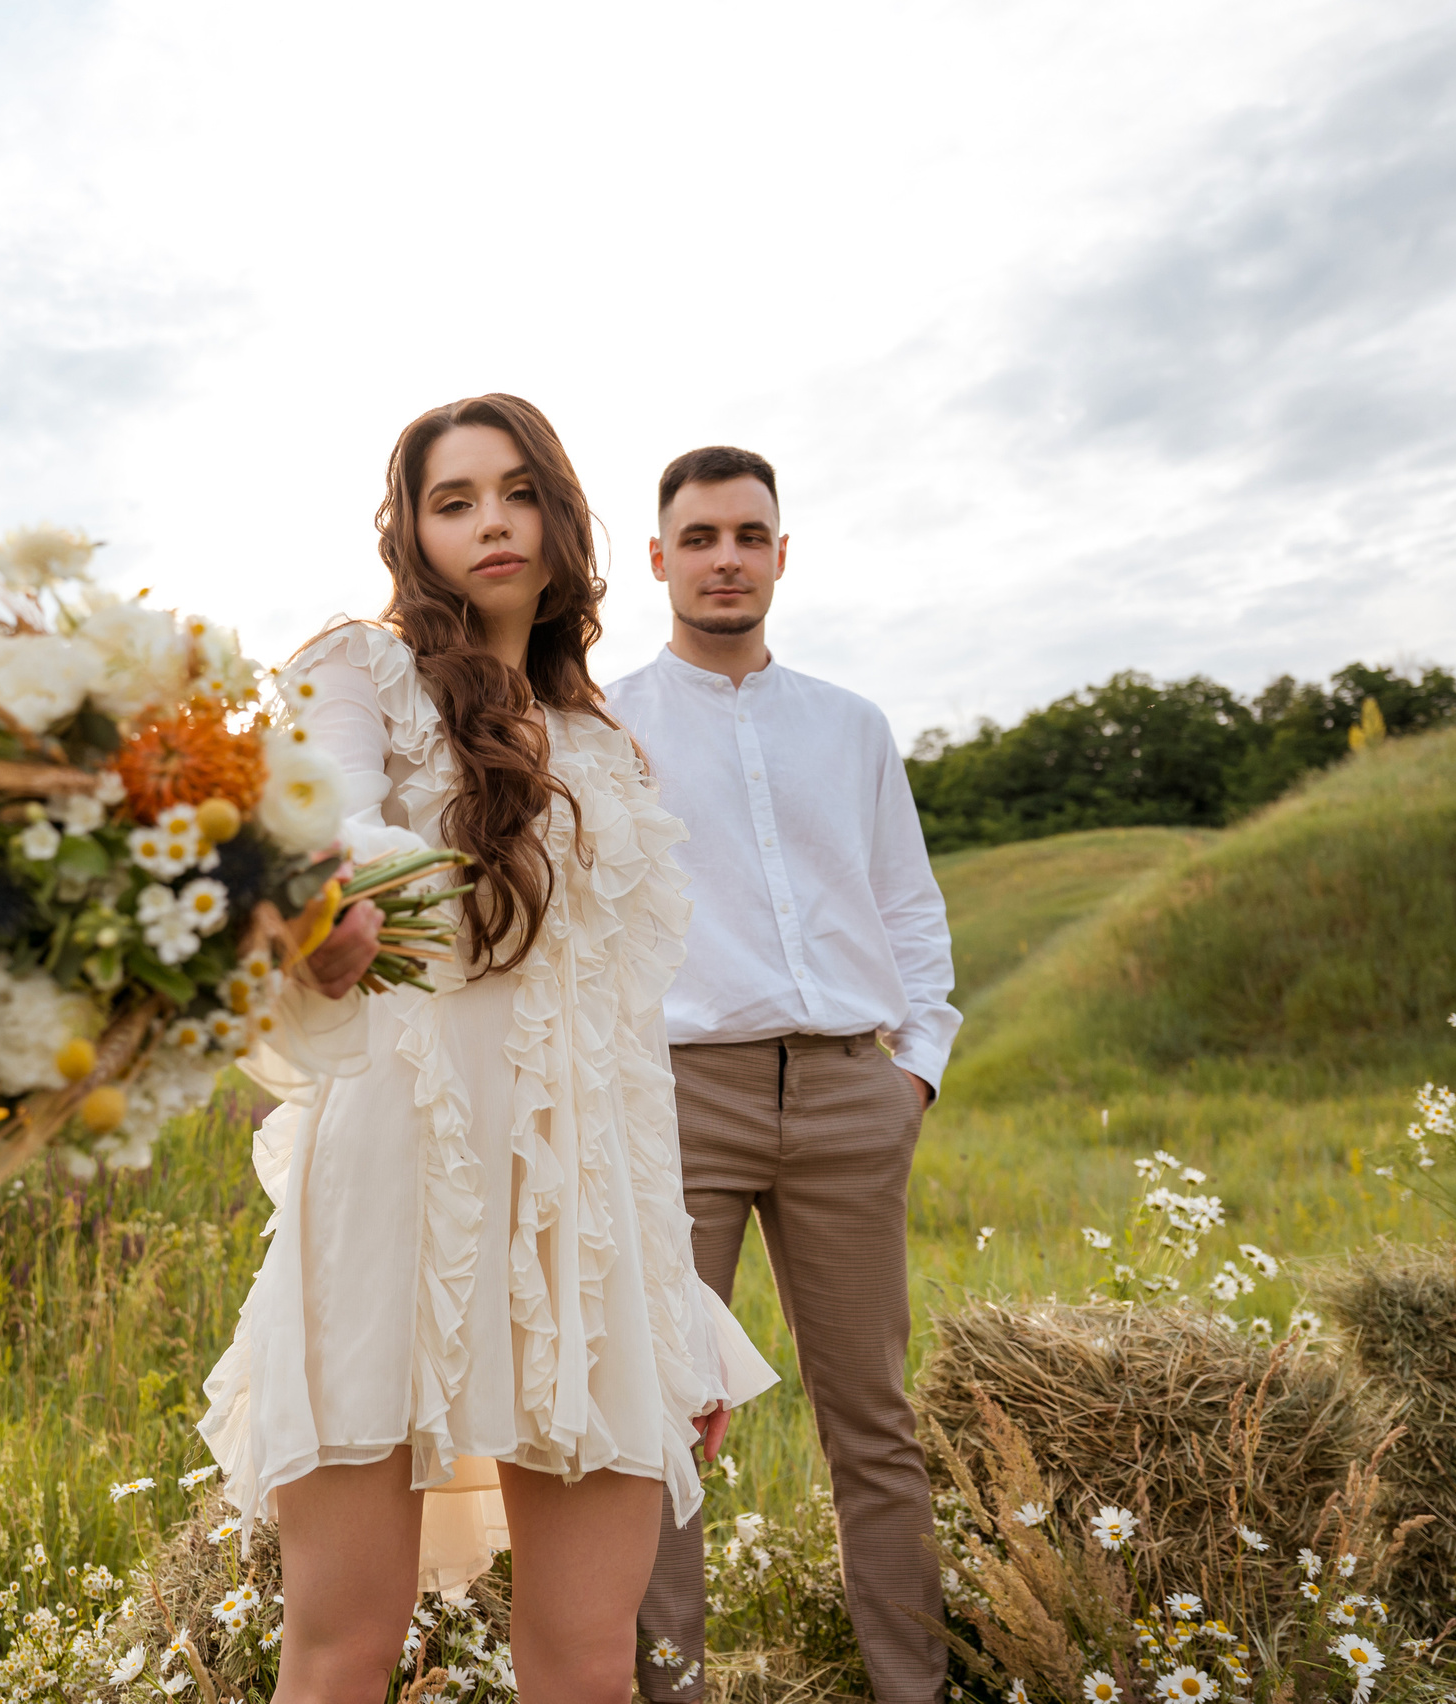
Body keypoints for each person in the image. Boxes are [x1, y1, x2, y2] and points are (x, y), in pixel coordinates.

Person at [200, 396, 778, 1704]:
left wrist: (675, 1309)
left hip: (589, 1233)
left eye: (515, 493)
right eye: (452, 501)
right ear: (408, 530)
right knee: (345, 1646)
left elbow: (625, 1049)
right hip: (402, 1189)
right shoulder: (358, 670)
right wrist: (336, 903)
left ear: (563, 520)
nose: (490, 523)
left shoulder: (610, 746)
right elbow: (323, 817)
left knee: (586, 1662)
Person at [607, 446, 961, 1704]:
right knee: (658, 1425)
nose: (724, 559)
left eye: (748, 535)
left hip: (847, 1095)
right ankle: (670, 1689)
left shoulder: (850, 725)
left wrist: (911, 1072)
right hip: (676, 1105)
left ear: (780, 553)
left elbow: (908, 911)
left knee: (873, 1422)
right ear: (657, 559)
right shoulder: (603, 725)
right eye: (698, 537)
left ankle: (906, 1689)